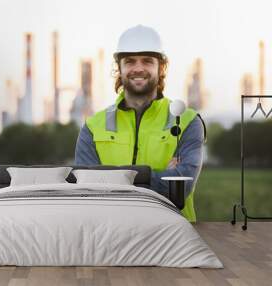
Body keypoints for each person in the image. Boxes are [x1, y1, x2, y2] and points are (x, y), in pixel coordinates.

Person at [74, 25, 206, 222]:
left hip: (172, 235)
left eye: (147, 61)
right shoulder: (93, 126)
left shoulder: (188, 121)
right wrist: (162, 176)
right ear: (119, 67)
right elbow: (87, 191)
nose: (138, 68)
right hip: (111, 234)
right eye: (130, 61)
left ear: (161, 67)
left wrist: (112, 179)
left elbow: (180, 188)